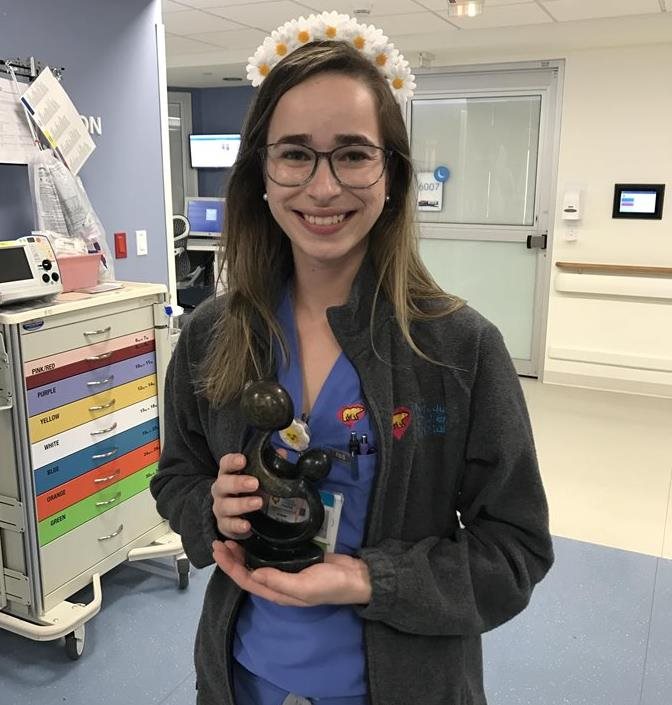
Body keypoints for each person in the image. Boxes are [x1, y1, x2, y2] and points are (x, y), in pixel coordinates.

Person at [150, 12, 554, 705]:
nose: (324, 186)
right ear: (263, 173)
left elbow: (514, 550)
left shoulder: (459, 350)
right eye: (295, 153)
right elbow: (177, 478)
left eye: (353, 153)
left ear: (392, 174)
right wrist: (211, 510)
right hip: (241, 680)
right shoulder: (213, 335)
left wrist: (370, 578)